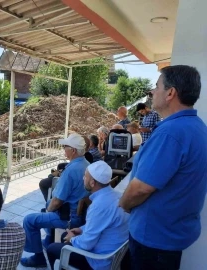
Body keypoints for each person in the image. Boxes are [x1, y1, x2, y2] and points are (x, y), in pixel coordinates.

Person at [119, 65, 207, 270]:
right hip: (172, 235)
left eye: (156, 86)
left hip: (154, 240)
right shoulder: (198, 127)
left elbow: (141, 188)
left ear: (170, 92)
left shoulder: (171, 133)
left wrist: (123, 203)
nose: (152, 92)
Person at [21, 133, 89, 268]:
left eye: (65, 147)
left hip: (70, 217)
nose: (64, 149)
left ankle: (38, 257)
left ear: (73, 150)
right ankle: (48, 238)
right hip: (80, 213)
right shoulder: (86, 164)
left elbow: (57, 202)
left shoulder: (71, 171)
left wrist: (48, 210)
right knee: (46, 207)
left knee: (29, 220)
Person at [47, 161, 129, 269]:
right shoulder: (117, 196)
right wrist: (81, 229)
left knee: (51, 249)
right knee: (64, 236)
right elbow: (101, 223)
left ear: (92, 183)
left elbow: (86, 244)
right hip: (111, 251)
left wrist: (72, 239)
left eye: (85, 176)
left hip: (98, 260)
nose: (83, 179)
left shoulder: (98, 206)